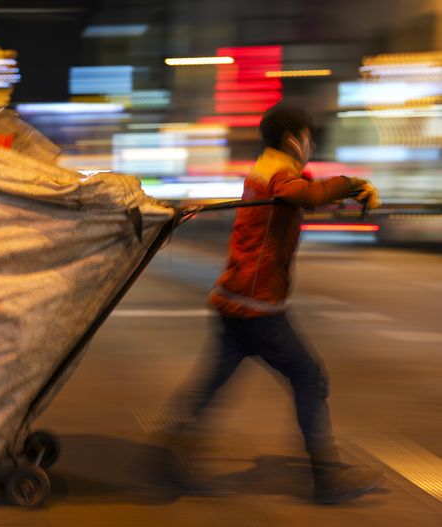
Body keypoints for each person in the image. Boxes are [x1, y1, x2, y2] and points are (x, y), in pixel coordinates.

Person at [161, 104, 383, 505]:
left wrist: (351, 192)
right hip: (256, 303)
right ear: (294, 139)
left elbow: (309, 193)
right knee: (309, 377)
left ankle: (168, 458)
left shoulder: (268, 168)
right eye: (308, 136)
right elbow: (307, 195)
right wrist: (354, 181)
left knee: (212, 383)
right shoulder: (278, 174)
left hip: (236, 298)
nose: (311, 144)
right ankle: (327, 480)